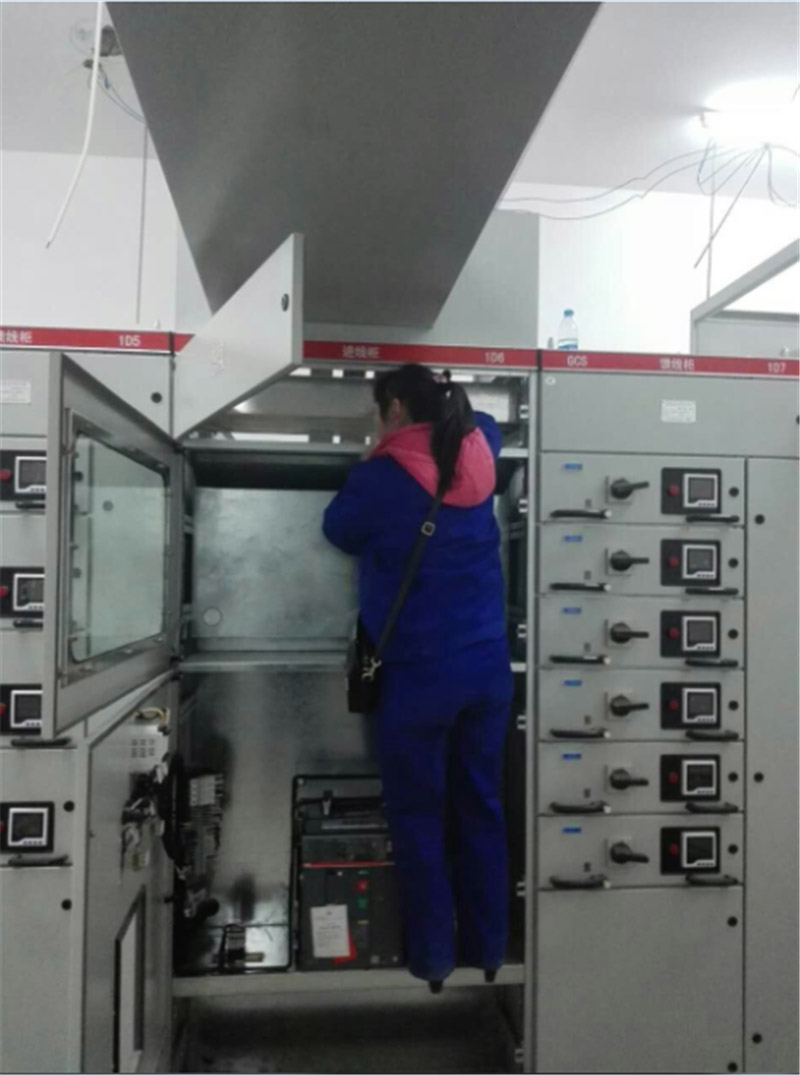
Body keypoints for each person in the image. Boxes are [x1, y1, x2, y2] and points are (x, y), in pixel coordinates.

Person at [322, 363, 513, 992]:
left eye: (379, 414)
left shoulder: (379, 478)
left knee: (418, 814)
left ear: (396, 409)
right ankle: (489, 947)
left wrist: (375, 454)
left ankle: (434, 959)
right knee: (481, 805)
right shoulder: (480, 445)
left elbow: (337, 529)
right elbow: (487, 421)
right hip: (487, 672)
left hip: (419, 677)